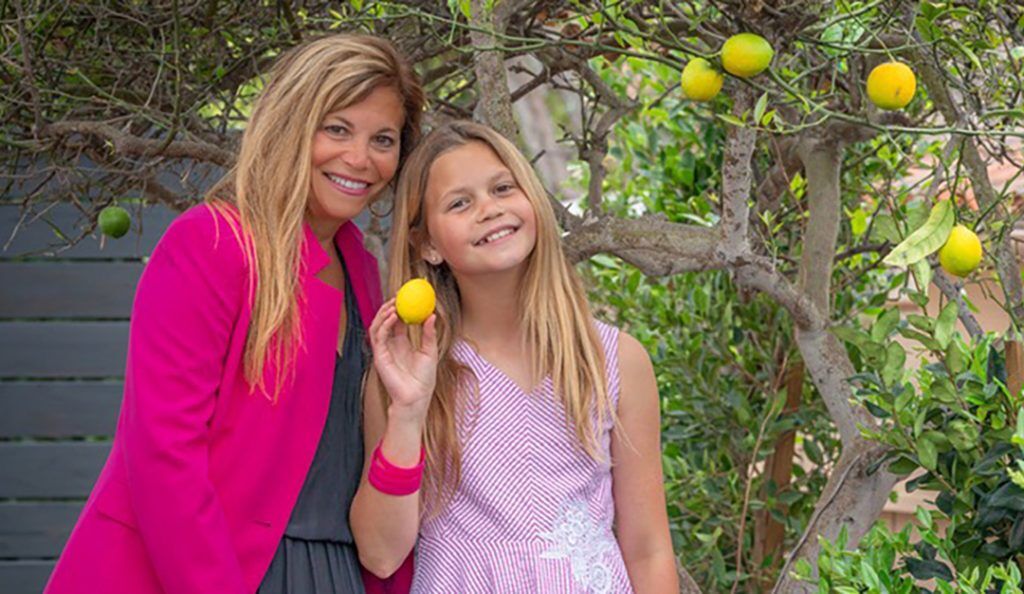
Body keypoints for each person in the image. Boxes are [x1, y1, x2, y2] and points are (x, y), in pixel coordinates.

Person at [45, 34, 423, 594]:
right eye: (337, 129)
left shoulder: (365, 273)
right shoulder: (210, 244)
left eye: (383, 139)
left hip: (333, 572)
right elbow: (163, 455)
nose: (360, 159)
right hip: (206, 573)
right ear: (292, 125)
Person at [351, 121, 679, 593]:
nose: (489, 209)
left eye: (503, 188)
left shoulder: (614, 360)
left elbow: (648, 549)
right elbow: (381, 555)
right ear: (427, 245)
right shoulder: (406, 375)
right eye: (459, 203)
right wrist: (407, 411)